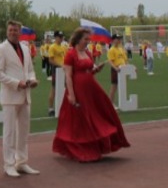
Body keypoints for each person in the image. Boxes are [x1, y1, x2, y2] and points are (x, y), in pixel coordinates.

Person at [53, 28, 130, 162]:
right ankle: (82, 148)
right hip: (78, 89)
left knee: (99, 114)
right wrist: (71, 95)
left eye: (89, 39)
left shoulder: (87, 52)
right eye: (85, 39)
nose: (88, 42)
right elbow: (69, 76)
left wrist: (96, 70)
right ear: (78, 39)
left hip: (91, 89)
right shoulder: (70, 54)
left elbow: (89, 70)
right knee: (82, 119)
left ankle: (97, 145)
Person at [0, 20, 39, 178]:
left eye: (16, 30)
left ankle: (22, 162)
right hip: (11, 96)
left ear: (20, 32)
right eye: (11, 30)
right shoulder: (1, 49)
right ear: (7, 31)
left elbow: (30, 70)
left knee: (23, 132)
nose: (13, 32)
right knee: (10, 132)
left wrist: (32, 79)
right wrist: (16, 83)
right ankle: (9, 164)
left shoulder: (25, 48)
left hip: (25, 95)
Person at [47, 32, 66, 117]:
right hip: (56, 69)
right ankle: (50, 108)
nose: (61, 38)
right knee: (54, 88)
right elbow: (50, 60)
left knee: (65, 88)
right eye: (59, 37)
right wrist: (60, 65)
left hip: (63, 69)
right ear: (55, 37)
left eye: (62, 37)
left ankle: (63, 107)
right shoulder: (52, 47)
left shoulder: (63, 47)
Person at [107, 34, 128, 104]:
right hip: (116, 69)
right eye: (117, 39)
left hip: (123, 69)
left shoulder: (121, 49)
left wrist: (129, 67)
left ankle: (122, 102)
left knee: (122, 86)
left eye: (119, 39)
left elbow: (125, 59)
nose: (119, 40)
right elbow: (110, 61)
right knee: (114, 86)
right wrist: (115, 68)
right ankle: (110, 103)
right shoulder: (111, 50)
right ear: (113, 40)